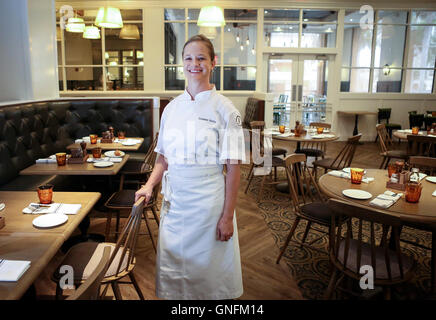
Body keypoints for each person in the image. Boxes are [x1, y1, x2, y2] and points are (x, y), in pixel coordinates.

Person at [135, 34, 245, 300]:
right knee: (175, 272)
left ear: (213, 62)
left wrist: (227, 216)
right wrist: (149, 186)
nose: (194, 64)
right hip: (175, 205)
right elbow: (163, 158)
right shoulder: (171, 108)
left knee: (209, 275)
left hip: (209, 205)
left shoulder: (226, 110)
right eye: (188, 58)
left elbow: (234, 169)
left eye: (201, 58)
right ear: (181, 63)